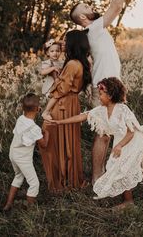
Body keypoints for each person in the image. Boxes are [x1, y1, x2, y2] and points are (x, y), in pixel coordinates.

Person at [45, 77, 143, 209]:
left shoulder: (122, 110)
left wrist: (119, 146)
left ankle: (128, 201)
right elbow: (83, 116)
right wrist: (59, 122)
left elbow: (131, 132)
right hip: (122, 140)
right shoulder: (101, 110)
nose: (99, 97)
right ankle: (127, 199)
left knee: (122, 167)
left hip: (133, 140)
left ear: (110, 95)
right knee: (117, 166)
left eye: (101, 94)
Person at [69, 0, 129, 184]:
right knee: (103, 134)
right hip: (105, 87)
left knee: (111, 133)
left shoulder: (93, 31)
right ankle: (97, 177)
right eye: (86, 7)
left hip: (111, 85)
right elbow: (116, 6)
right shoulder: (93, 28)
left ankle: (107, 173)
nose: (90, 7)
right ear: (83, 18)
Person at [39, 30, 92, 192]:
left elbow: (61, 89)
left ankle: (61, 180)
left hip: (63, 103)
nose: (62, 43)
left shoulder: (71, 64)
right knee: (67, 138)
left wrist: (46, 108)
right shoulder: (82, 62)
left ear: (73, 44)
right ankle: (68, 177)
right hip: (72, 103)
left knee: (53, 138)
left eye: (65, 40)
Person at [3, 93, 48, 211]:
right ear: (37, 109)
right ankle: (31, 212)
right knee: (34, 183)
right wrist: (46, 134)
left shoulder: (20, 119)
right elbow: (44, 145)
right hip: (23, 159)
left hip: (13, 154)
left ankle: (8, 204)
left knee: (18, 176)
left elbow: (28, 114)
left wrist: (34, 109)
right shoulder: (34, 129)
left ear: (23, 109)